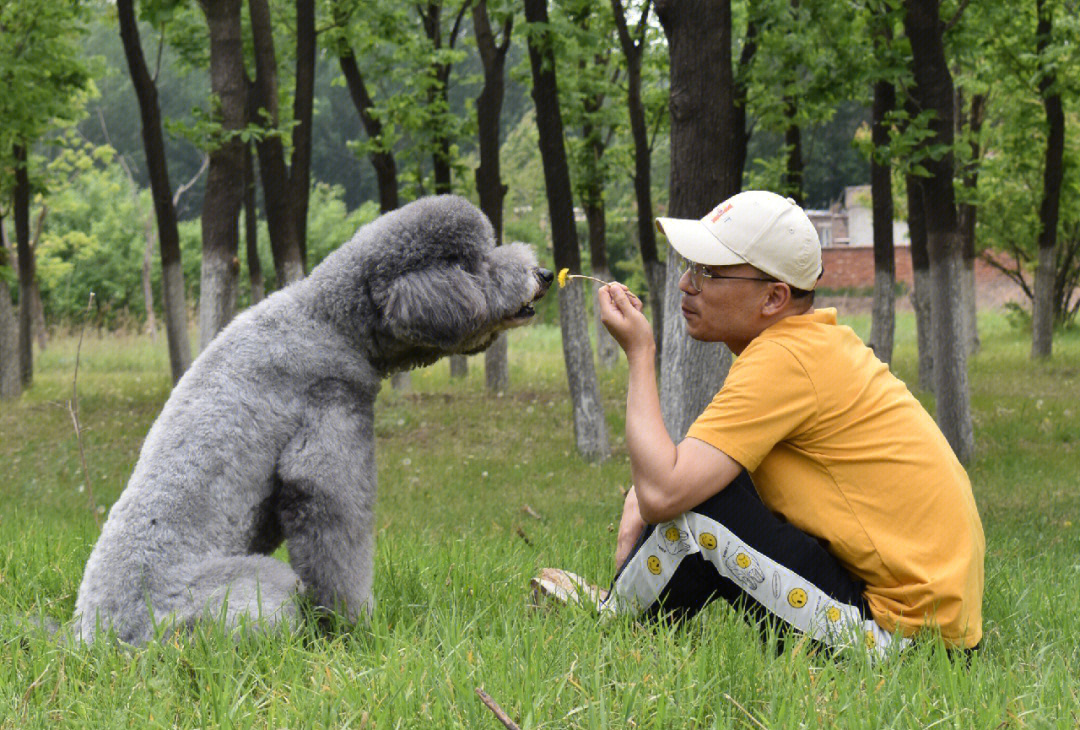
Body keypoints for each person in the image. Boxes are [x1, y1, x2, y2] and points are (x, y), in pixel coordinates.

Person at [538, 190, 984, 656]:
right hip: (930, 632)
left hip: (905, 644)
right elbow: (684, 476)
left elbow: (662, 493)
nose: (687, 284)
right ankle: (642, 623)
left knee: (695, 518)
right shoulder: (810, 346)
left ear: (774, 297)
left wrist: (639, 352)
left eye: (709, 271)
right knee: (703, 492)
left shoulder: (783, 359)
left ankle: (607, 627)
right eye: (691, 266)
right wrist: (642, 496)